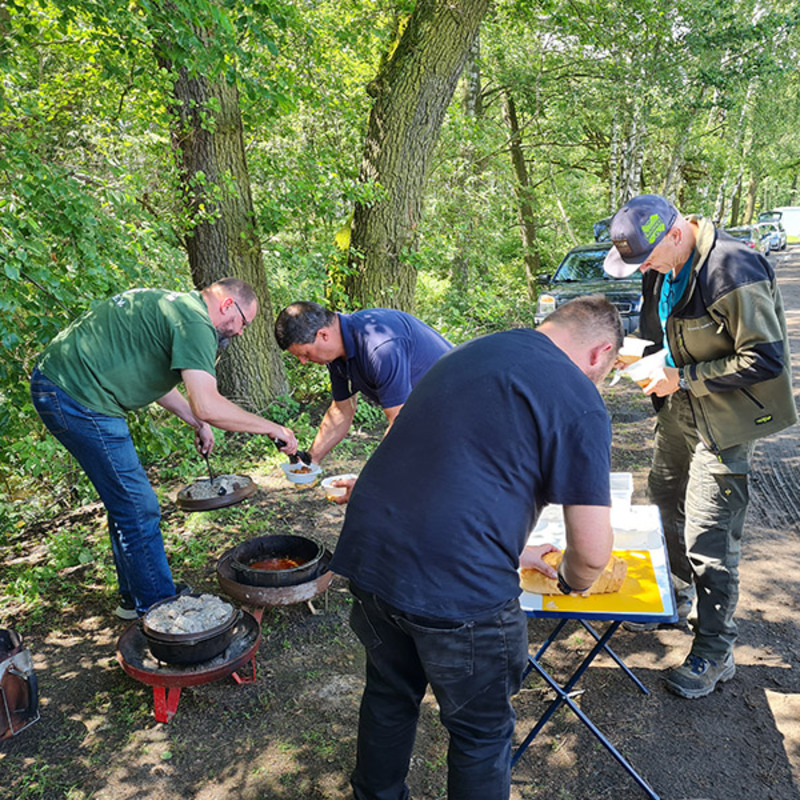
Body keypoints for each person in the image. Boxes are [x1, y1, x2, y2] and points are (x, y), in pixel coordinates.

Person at [329, 295, 624, 800]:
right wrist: (571, 581)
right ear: (601, 354)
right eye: (607, 370)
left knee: (388, 696)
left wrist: (513, 550)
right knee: (481, 734)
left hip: (372, 556)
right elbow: (593, 553)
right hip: (458, 589)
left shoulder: (471, 352)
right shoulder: (577, 394)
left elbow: (454, 470)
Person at [604, 194, 797, 699]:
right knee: (663, 500)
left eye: (647, 259)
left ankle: (715, 649)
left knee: (708, 534)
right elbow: (665, 335)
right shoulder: (659, 266)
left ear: (675, 233)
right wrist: (636, 355)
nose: (644, 270)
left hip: (725, 419)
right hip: (677, 410)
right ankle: (675, 593)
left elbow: (765, 359)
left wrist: (683, 378)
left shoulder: (733, 268)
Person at [30, 279, 298, 619]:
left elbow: (153, 378)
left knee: (125, 501)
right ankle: (160, 611)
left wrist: (197, 421)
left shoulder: (177, 310)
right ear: (227, 304)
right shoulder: (197, 323)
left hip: (61, 386)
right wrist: (272, 427)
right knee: (138, 506)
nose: (241, 332)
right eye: (243, 322)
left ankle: (135, 597)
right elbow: (208, 404)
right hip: (78, 396)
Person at [274, 302, 452, 469]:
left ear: (323, 335)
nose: (303, 362)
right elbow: (342, 410)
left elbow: (400, 423)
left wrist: (368, 479)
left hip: (457, 407)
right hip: (427, 416)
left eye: (305, 354)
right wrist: (311, 460)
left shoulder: (380, 346)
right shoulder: (336, 356)